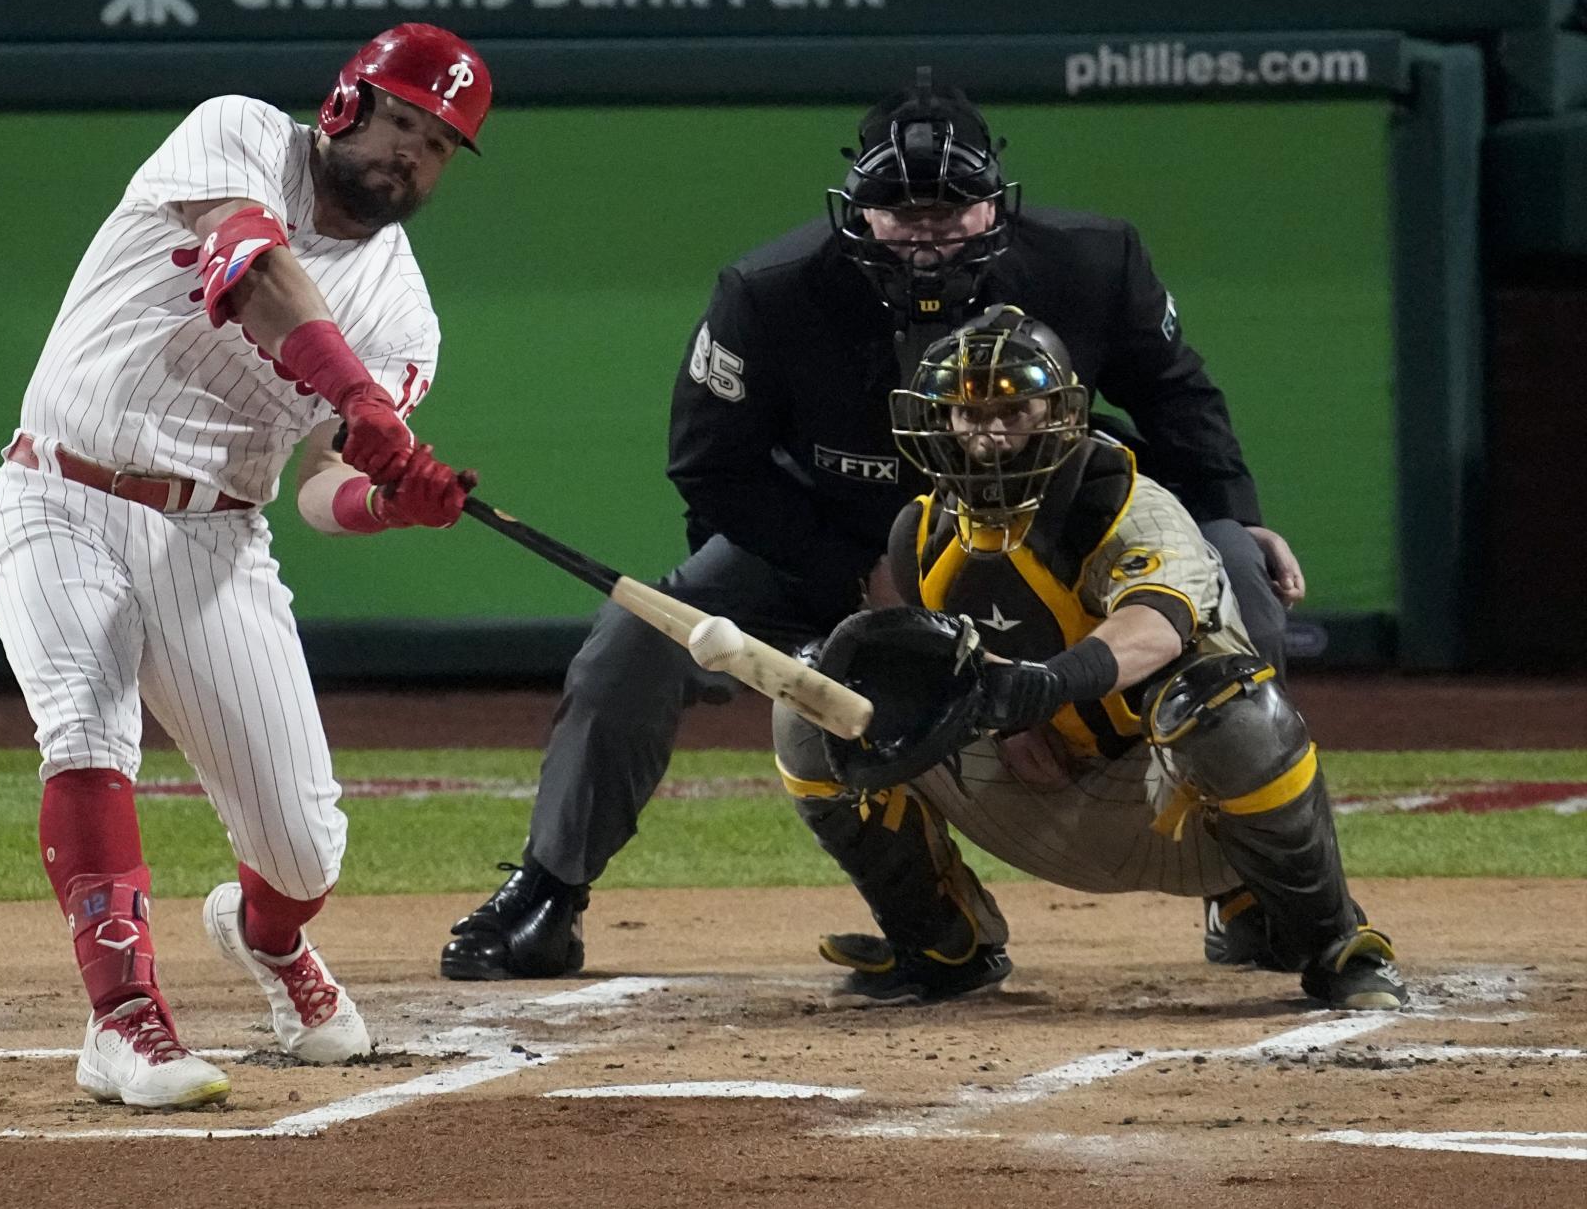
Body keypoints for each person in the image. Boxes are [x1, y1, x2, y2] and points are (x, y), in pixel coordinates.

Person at [440, 77, 1300, 982]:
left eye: (951, 206)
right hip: (838, 544)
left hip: (1056, 545)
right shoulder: (768, 293)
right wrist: (858, 576)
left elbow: (1177, 400)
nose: (927, 229)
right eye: (898, 206)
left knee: (1239, 578)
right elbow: (712, 466)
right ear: (858, 209)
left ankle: (1254, 879)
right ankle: (549, 891)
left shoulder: (1092, 262)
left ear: (993, 204)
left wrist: (1231, 516)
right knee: (634, 638)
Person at [0, 23, 487, 1109]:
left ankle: (264, 937)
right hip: (60, 489)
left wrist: (388, 502)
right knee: (84, 726)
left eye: (438, 144)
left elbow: (319, 493)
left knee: (303, 851)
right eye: (400, 119)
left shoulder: (404, 314)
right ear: (347, 102)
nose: (411, 153)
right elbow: (252, 265)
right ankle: (125, 1025)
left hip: (215, 542)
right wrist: (356, 399)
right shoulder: (237, 133)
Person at [770, 307, 1406, 1012]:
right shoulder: (919, 533)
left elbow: (1157, 623)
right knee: (815, 701)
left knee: (1228, 705)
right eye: (967, 413)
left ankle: (1329, 939)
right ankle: (941, 943)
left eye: (1013, 410)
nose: (988, 434)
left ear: (1059, 412)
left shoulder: (1124, 504)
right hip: (1040, 799)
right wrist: (997, 721)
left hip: (1178, 805)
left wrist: (1046, 687)